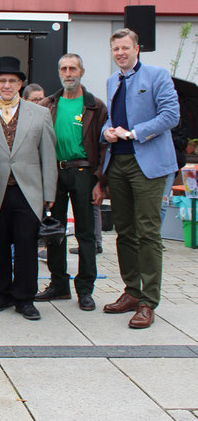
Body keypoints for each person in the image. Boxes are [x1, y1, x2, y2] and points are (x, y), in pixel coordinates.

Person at [101, 28, 179, 329]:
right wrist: (107, 131)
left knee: (148, 232)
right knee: (124, 231)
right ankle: (132, 291)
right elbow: (112, 117)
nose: (120, 53)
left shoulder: (157, 76)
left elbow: (171, 116)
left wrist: (134, 133)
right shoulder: (113, 80)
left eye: (125, 48)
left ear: (137, 48)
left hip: (146, 163)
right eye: (115, 49)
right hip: (117, 161)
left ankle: (149, 302)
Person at [0, 56, 57, 321]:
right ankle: (1, 293)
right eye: (2, 81)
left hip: (29, 190)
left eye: (12, 81)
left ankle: (25, 298)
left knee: (26, 245)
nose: (7, 85)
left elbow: (48, 154)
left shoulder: (40, 113)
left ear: (21, 84)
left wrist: (49, 194)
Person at [35, 54, 108, 311]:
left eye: (73, 68)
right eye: (64, 69)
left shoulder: (95, 106)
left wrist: (100, 182)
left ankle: (85, 289)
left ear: (82, 72)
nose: (68, 73)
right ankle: (58, 285)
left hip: (84, 173)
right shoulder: (48, 104)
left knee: (86, 234)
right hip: (55, 173)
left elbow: (103, 148)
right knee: (54, 232)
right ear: (59, 73)